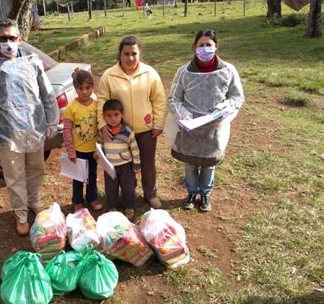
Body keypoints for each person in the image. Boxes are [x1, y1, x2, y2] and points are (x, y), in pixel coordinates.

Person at [0, 19, 59, 235]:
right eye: (3, 38)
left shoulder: (33, 62)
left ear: (20, 39)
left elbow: (47, 94)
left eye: (12, 38)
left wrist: (51, 120)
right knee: (14, 176)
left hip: (34, 128)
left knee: (36, 169)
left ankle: (34, 200)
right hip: (7, 133)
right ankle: (21, 214)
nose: (8, 43)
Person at [168, 29, 245, 212]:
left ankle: (205, 194)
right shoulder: (184, 72)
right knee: (190, 163)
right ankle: (191, 192)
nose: (204, 48)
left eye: (208, 45)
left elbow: (237, 96)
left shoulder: (228, 71)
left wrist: (226, 107)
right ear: (194, 47)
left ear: (216, 46)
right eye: (200, 45)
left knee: (209, 164)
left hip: (214, 126)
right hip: (190, 127)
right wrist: (183, 114)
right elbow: (173, 98)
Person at [97, 35, 166, 209]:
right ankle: (129, 194)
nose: (130, 58)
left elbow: (159, 100)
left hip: (146, 130)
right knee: (126, 166)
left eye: (134, 53)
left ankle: (150, 194)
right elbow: (101, 102)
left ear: (139, 54)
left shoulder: (150, 73)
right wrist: (102, 124)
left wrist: (158, 123)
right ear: (119, 55)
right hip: (119, 133)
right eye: (126, 54)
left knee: (147, 163)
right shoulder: (108, 75)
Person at [63, 68, 103, 212]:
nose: (85, 91)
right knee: (78, 178)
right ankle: (78, 201)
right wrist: (70, 151)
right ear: (75, 88)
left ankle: (92, 197)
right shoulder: (71, 107)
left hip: (93, 150)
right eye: (81, 88)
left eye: (88, 88)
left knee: (92, 175)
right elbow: (67, 130)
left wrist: (101, 147)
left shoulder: (97, 103)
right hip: (78, 150)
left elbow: (101, 124)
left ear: (93, 87)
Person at [99, 99, 140, 220]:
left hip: (125, 165)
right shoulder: (104, 132)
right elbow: (100, 144)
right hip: (109, 166)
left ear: (122, 114)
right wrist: (98, 154)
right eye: (109, 116)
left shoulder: (127, 131)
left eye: (116, 115)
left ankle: (129, 207)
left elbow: (134, 148)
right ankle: (112, 207)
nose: (113, 119)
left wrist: (136, 165)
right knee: (110, 188)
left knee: (128, 187)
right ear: (104, 117)